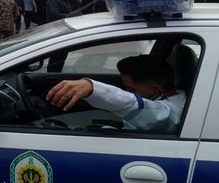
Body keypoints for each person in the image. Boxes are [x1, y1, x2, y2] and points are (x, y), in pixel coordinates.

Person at [47, 55, 185, 132]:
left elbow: (133, 105)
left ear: (156, 89)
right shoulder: (177, 96)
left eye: (131, 89)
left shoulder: (174, 112)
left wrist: (92, 87)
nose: (127, 92)